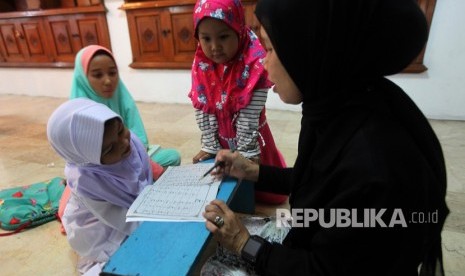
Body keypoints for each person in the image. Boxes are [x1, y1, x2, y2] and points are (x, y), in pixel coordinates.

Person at [201, 0, 449, 275]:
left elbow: (322, 270)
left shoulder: (373, 168)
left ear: (310, 49)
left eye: (270, 49)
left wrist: (243, 242)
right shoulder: (338, 105)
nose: (263, 62)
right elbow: (322, 182)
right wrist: (252, 170)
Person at [189, 0, 287, 204]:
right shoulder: (202, 63)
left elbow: (249, 116)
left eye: (223, 36)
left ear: (239, 30)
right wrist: (210, 144)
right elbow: (203, 105)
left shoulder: (255, 61)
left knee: (271, 196)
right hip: (222, 138)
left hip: (252, 138)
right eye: (205, 38)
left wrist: (247, 153)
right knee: (227, 191)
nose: (214, 47)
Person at [47, 98, 153, 275]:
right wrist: (160, 221)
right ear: (88, 159)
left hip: (125, 210)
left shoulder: (128, 141)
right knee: (135, 250)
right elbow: (124, 220)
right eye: (109, 149)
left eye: (121, 131)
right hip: (98, 224)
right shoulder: (88, 182)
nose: (125, 143)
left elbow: (143, 176)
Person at [70, 45, 181, 172]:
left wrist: (137, 152)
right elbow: (85, 160)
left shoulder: (121, 95)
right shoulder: (78, 111)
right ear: (82, 77)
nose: (107, 81)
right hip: (102, 170)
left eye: (112, 73)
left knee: (172, 157)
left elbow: (136, 133)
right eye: (98, 75)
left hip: (130, 153)